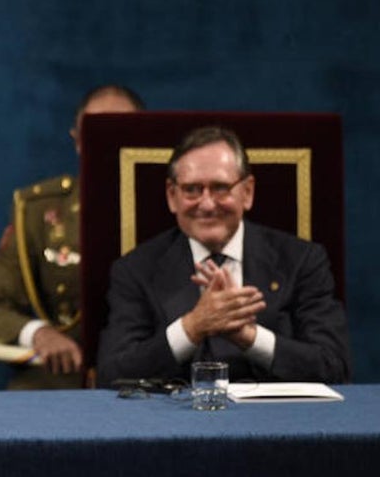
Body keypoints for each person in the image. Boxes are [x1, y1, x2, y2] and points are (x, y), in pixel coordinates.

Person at [96, 126, 349, 385]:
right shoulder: (135, 269)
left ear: (247, 192)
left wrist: (250, 337)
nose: (206, 204)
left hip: (275, 419)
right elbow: (112, 374)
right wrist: (192, 327)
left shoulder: (301, 260)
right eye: (192, 189)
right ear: (172, 196)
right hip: (178, 420)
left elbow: (335, 367)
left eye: (220, 188)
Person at [0, 85, 143, 389]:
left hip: (148, 386)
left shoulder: (177, 207)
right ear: (76, 141)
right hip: (59, 385)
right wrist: (37, 332)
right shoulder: (39, 213)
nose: (108, 141)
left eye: (121, 130)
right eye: (96, 131)